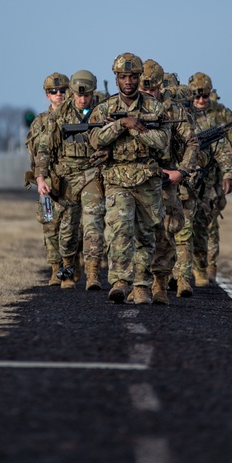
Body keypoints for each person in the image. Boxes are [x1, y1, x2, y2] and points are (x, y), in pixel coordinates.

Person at [89, 53, 170, 305]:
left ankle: (142, 284)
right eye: (123, 77)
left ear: (139, 78)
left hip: (146, 180)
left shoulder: (154, 108)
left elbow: (163, 144)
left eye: (133, 76)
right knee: (120, 230)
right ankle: (120, 282)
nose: (128, 81)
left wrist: (138, 129)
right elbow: (95, 140)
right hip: (117, 179)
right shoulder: (105, 109)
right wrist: (121, 124)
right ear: (116, 79)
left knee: (146, 235)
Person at [33, 70, 106, 290]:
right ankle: (65, 269)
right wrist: (40, 178)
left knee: (93, 224)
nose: (82, 99)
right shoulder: (58, 117)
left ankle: (93, 274)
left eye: (87, 94)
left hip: (92, 174)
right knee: (66, 229)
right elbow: (43, 149)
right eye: (78, 94)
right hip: (66, 179)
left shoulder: (102, 112)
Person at [139, 59, 199, 303]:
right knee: (138, 235)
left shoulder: (174, 111)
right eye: (145, 88)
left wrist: (182, 172)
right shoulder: (128, 109)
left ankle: (160, 284)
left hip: (166, 182)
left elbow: (192, 143)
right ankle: (138, 284)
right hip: (136, 182)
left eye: (153, 87)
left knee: (166, 234)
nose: (149, 92)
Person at [186, 72, 232, 286]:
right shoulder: (184, 113)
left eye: (205, 96)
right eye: (196, 96)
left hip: (216, 175)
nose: (201, 101)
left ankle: (208, 265)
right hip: (188, 175)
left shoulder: (222, 114)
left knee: (208, 221)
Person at [25, 72, 69, 286]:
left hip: (71, 180)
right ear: (47, 95)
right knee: (49, 225)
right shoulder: (39, 122)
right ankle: (55, 268)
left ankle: (70, 268)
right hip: (47, 182)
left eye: (62, 91)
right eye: (54, 91)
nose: (59, 95)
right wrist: (39, 178)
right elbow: (33, 152)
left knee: (73, 228)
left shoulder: (78, 117)